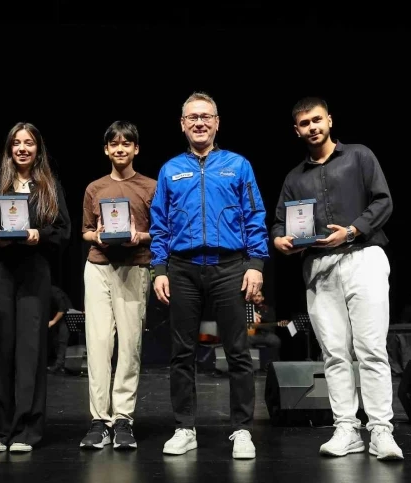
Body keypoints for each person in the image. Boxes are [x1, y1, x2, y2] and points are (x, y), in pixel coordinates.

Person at [271, 97, 403, 460]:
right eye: (304, 123)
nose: (312, 127)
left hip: (364, 257)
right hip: (318, 266)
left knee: (372, 349)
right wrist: (280, 239)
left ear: (329, 119)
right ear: (296, 130)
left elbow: (383, 202)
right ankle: (346, 428)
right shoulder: (294, 178)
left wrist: (351, 231)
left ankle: (381, 431)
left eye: (317, 120)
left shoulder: (359, 156)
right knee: (333, 353)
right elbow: (280, 222)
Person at [150, 92, 269, 459]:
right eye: (192, 117)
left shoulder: (238, 165)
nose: (199, 122)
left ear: (217, 122)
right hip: (183, 269)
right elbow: (159, 223)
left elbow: (254, 214)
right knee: (182, 353)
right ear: (182, 124)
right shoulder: (170, 169)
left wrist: (256, 263)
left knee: (237, 351)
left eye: (206, 116)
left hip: (230, 266)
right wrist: (159, 268)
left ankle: (242, 430)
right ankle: (185, 427)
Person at [0, 122, 71, 453]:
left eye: (29, 143)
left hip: (34, 270)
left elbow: (63, 230)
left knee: (30, 350)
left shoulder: (49, 185)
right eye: (17, 143)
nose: (23, 148)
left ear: (38, 149)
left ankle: (27, 431)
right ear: (9, 148)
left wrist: (39, 234)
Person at [80, 120, 156, 450]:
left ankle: (123, 419)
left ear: (136, 148)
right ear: (107, 150)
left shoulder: (151, 187)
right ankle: (99, 420)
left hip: (135, 266)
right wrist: (95, 235)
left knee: (129, 346)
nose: (120, 148)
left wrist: (140, 236)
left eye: (127, 143)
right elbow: (84, 230)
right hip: (98, 266)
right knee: (98, 344)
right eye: (114, 143)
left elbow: (163, 231)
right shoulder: (94, 188)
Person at [247, 290, 282, 366]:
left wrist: (261, 317)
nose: (256, 298)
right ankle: (251, 363)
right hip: (254, 335)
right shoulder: (249, 309)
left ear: (262, 298)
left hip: (267, 334)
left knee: (276, 341)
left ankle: (272, 364)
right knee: (245, 340)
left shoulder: (269, 309)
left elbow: (272, 321)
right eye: (254, 296)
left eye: (259, 296)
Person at [47, 284, 72, 374]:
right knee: (54, 340)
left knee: (62, 340)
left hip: (67, 316)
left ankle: (59, 365)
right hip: (57, 316)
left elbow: (62, 309)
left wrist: (53, 321)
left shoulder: (54, 291)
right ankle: (59, 364)